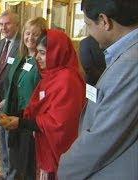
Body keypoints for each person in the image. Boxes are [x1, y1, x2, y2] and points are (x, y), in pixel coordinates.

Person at [58, 0, 138, 179]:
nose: (87, 32)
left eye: (87, 24)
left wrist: (64, 168)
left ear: (104, 21)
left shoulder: (131, 63)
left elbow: (103, 138)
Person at [0, 30, 86, 179]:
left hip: (59, 153)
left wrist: (21, 122)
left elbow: (59, 124)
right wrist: (16, 116)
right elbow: (38, 107)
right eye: (37, 52)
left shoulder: (67, 80)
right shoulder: (52, 74)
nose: (37, 57)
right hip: (43, 142)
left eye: (43, 53)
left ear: (57, 52)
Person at [3, 17, 47, 180]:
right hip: (12, 113)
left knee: (28, 162)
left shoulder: (43, 61)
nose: (30, 38)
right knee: (12, 157)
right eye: (27, 33)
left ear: (42, 36)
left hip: (30, 118)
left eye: (35, 34)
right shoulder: (20, 55)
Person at [0, 10, 20, 179]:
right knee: (2, 140)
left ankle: (13, 175)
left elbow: (23, 77)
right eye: (1, 24)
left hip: (13, 103)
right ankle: (6, 172)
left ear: (16, 24)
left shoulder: (22, 45)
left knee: (12, 142)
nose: (3, 27)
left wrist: (8, 99)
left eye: (7, 23)